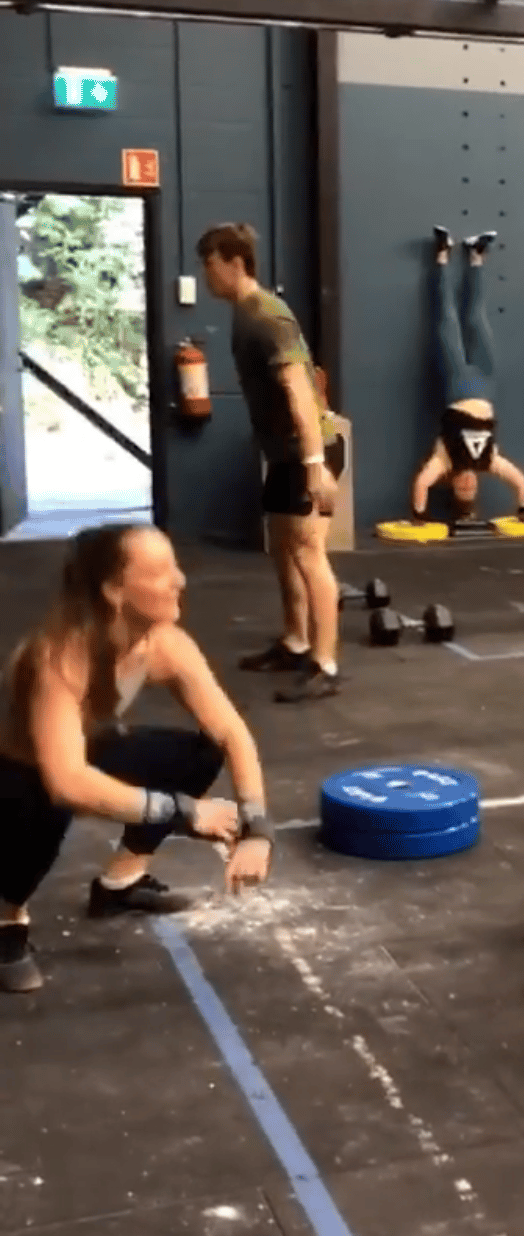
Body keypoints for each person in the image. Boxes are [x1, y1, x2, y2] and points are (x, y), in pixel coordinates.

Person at [0, 524, 274, 995]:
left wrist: (257, 830)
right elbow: (67, 781)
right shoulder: (58, 657)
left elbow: (232, 733)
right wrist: (183, 811)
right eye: (162, 572)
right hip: (19, 772)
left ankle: (120, 885)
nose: (180, 580)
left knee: (198, 754)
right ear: (113, 590)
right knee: (45, 803)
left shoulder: (166, 644)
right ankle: (8, 918)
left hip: (82, 751)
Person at [197, 222, 340, 703]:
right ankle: (296, 641)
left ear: (235, 263)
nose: (205, 274)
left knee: (309, 552)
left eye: (210, 264)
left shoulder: (268, 316)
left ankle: (325, 663)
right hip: (284, 455)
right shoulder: (245, 313)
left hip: (307, 451)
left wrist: (315, 463)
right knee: (282, 548)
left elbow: (299, 391)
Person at [411, 229, 524, 524]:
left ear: (452, 484)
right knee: (477, 319)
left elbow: (422, 484)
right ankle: (476, 256)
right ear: (477, 486)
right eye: (470, 489)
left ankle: (442, 255)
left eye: (461, 489)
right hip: (485, 384)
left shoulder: (444, 460)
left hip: (456, 386)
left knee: (448, 319)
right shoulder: (489, 461)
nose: (467, 484)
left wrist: (420, 516)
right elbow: (520, 482)